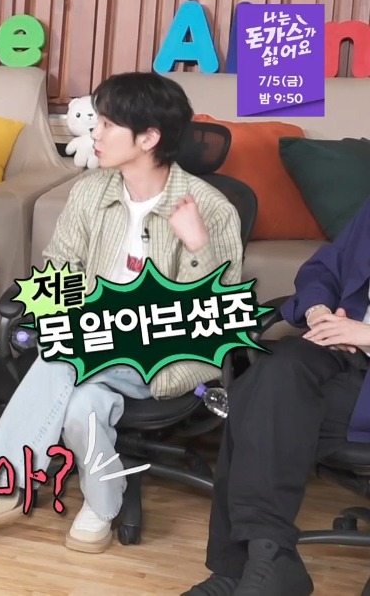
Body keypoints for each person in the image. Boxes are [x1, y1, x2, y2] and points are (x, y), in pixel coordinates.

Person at [0, 72, 245, 553]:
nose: (95, 132)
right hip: (95, 339)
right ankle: (103, 502)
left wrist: (197, 246)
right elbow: (59, 267)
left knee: (64, 354)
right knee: (82, 407)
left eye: (108, 124)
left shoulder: (211, 209)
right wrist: (60, 314)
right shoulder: (91, 192)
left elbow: (214, 319)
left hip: (166, 350)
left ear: (148, 138)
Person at [185, 198, 370, 596]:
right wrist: (319, 310)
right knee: (268, 375)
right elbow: (324, 268)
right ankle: (260, 560)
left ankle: (255, 565)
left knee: (264, 405)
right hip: (345, 352)